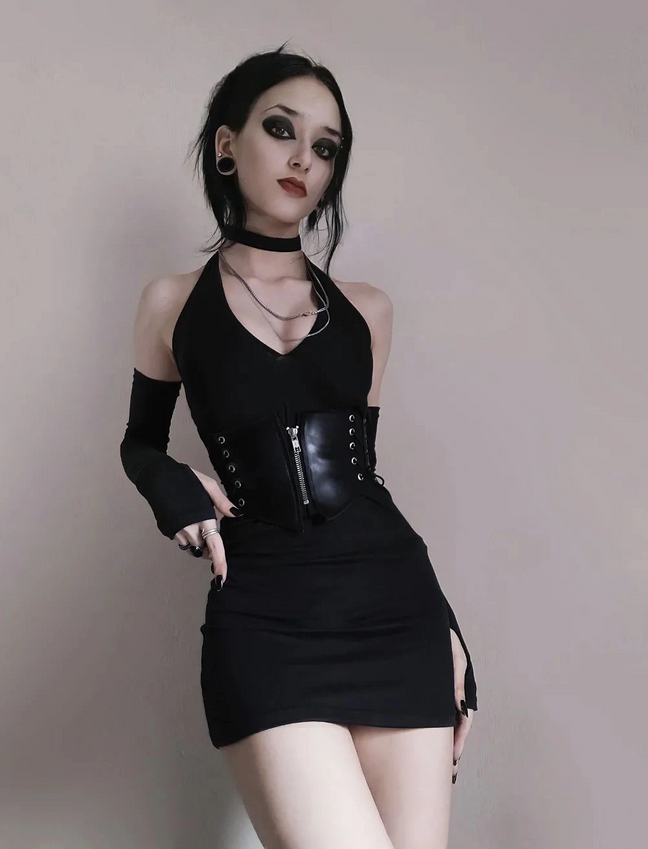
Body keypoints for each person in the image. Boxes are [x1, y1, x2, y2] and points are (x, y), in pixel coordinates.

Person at [120, 42, 479, 849]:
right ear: (226, 144)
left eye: (325, 146)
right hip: (266, 621)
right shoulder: (172, 302)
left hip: (399, 615)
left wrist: (447, 626)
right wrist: (167, 481)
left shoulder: (368, 310)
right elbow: (139, 442)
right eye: (280, 129)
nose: (303, 159)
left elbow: (364, 477)